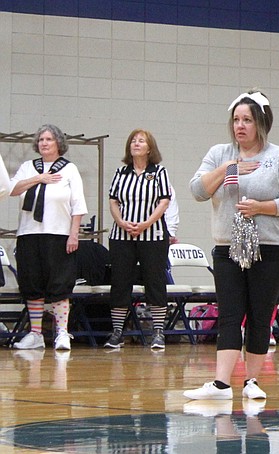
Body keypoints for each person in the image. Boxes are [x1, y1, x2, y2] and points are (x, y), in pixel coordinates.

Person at [184, 89, 279, 401]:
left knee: (260, 313)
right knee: (229, 313)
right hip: (228, 247)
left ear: (261, 123)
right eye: (236, 120)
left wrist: (261, 207)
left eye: (247, 120)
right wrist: (228, 169)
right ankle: (221, 384)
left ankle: (252, 380)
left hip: (272, 248)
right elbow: (197, 190)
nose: (240, 126)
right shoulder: (219, 154)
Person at [9, 124, 88, 350]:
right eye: (41, 139)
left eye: (49, 139)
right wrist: (38, 178)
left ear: (58, 143)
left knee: (59, 284)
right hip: (29, 234)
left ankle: (62, 332)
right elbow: (12, 189)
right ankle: (35, 334)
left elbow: (78, 204)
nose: (44, 143)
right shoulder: (28, 167)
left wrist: (74, 234)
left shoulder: (69, 169)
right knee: (32, 283)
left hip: (58, 234)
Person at [103, 129, 173, 350]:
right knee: (120, 281)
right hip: (122, 235)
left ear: (149, 148)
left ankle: (158, 332)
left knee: (155, 281)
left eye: (141, 141)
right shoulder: (121, 172)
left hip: (152, 235)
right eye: (133, 140)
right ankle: (117, 332)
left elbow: (164, 202)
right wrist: (122, 222)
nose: (136, 143)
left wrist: (146, 223)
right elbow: (113, 201)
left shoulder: (159, 172)